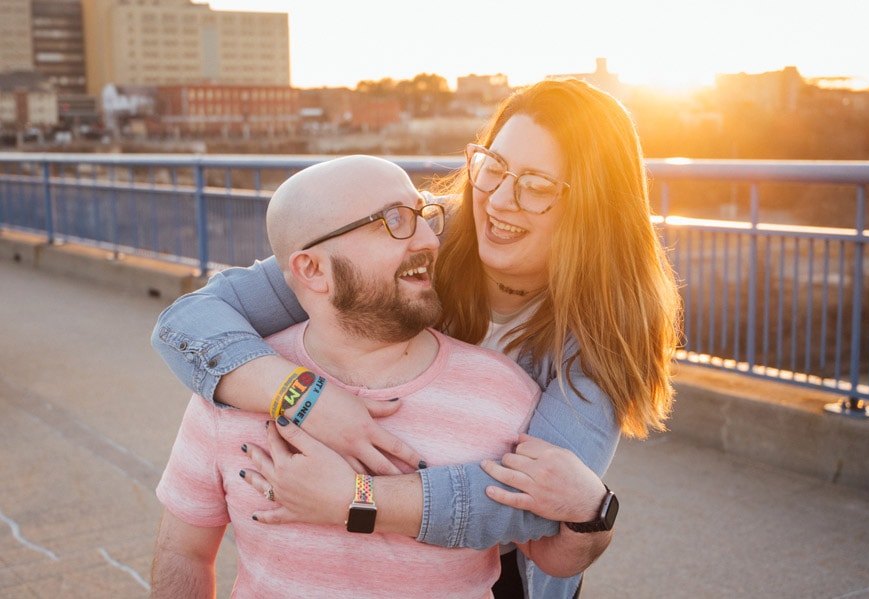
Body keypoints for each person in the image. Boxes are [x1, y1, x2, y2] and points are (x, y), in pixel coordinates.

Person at [151, 78, 681, 598]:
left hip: (509, 572)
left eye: (537, 187)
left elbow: (527, 501)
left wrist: (353, 499)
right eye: (492, 168)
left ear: (594, 210)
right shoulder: (424, 234)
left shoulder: (609, 327)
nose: (498, 201)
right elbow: (191, 321)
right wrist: (303, 396)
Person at [151, 155, 544, 597]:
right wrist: (304, 397)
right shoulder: (231, 387)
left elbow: (558, 551)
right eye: (394, 220)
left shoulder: (506, 391)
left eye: (422, 216)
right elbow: (183, 553)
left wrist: (596, 514)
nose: (431, 241)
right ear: (312, 270)